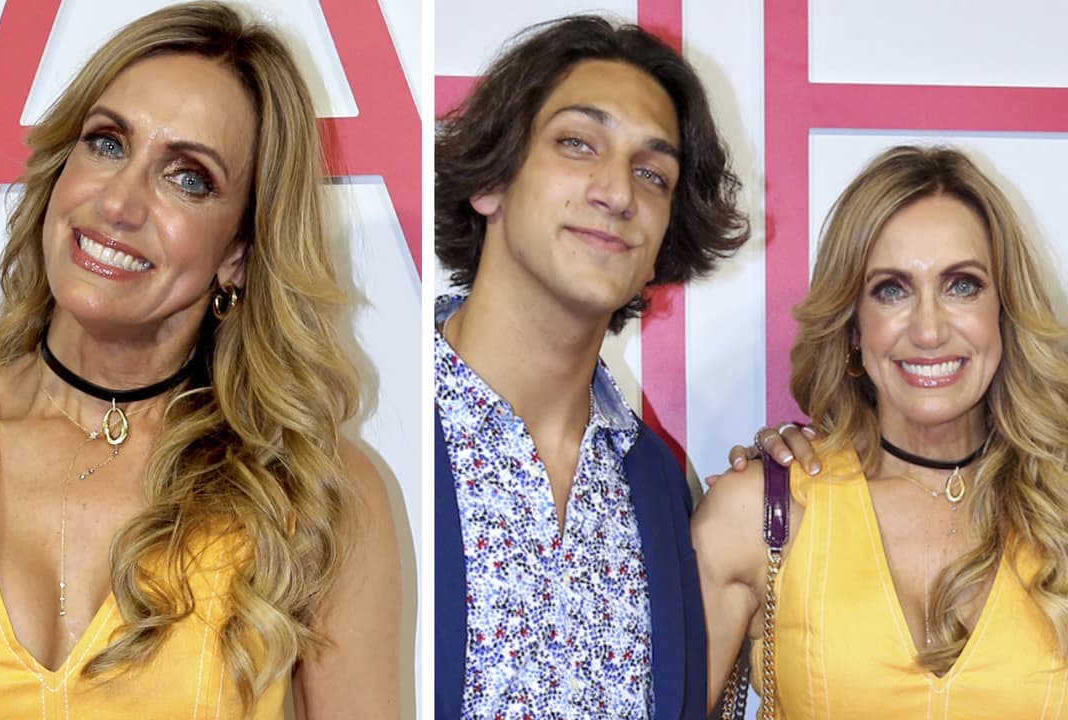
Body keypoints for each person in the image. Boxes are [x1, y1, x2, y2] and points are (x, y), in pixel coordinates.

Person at [0, 3, 399, 718]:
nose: (118, 203)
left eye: (188, 178)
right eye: (107, 143)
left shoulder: (314, 495)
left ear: (238, 252)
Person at [434, 15, 750, 719]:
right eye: (578, 144)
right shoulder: (383, 433)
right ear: (491, 180)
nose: (618, 192)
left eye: (652, 173)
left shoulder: (658, 484)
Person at [695, 145, 1068, 717]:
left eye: (962, 285)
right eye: (892, 290)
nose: (929, 330)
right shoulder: (760, 513)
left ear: (1005, 309)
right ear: (852, 326)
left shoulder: (1058, 506)